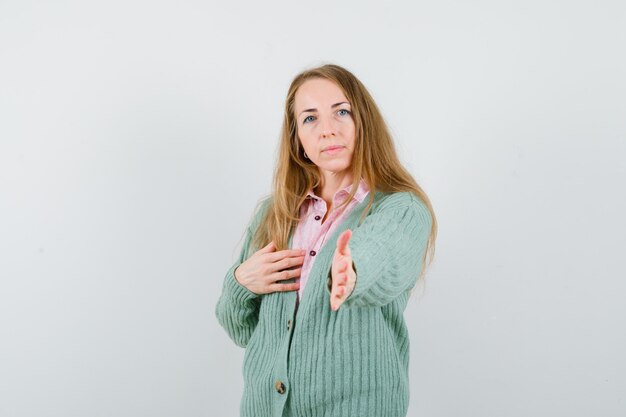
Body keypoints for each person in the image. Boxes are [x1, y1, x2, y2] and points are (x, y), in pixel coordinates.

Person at [215, 63, 437, 417]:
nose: (327, 131)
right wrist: (241, 283)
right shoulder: (275, 213)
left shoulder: (401, 209)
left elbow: (383, 253)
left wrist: (352, 271)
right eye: (310, 119)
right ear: (298, 141)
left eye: (342, 112)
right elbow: (242, 330)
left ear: (364, 122)